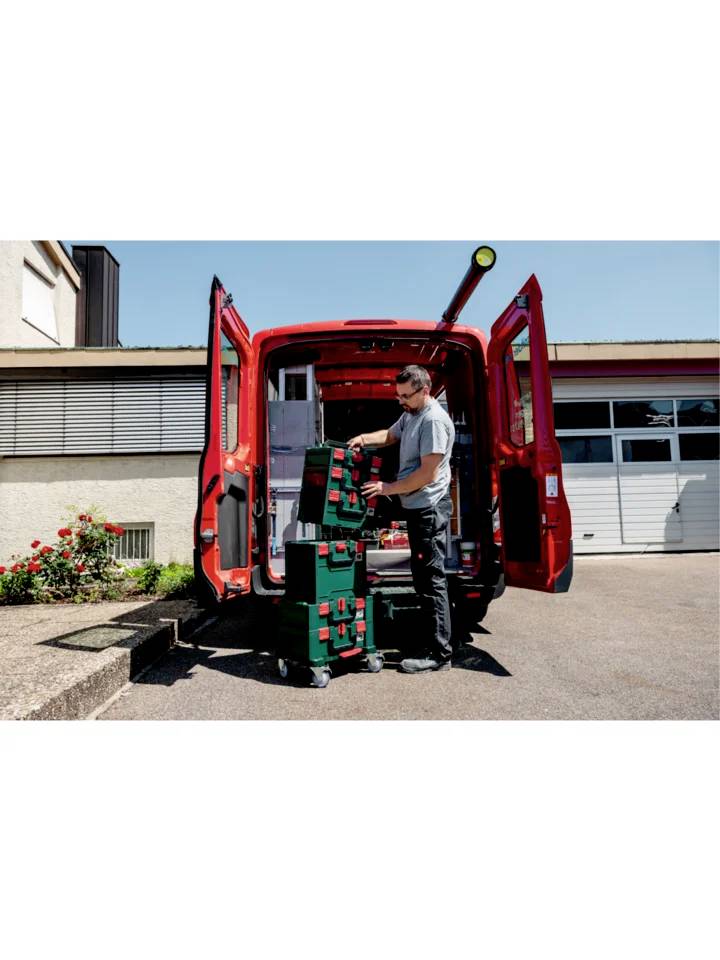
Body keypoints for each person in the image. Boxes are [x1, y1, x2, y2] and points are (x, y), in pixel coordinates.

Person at [348, 365, 455, 673]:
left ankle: (440, 655)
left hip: (429, 508)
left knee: (432, 580)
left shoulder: (433, 421)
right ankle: (434, 644)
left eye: (405, 396)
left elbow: (426, 473)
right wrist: (364, 439)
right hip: (416, 505)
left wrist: (387, 488)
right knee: (423, 578)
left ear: (425, 390)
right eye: (398, 396)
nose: (401, 401)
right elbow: (391, 435)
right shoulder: (411, 414)